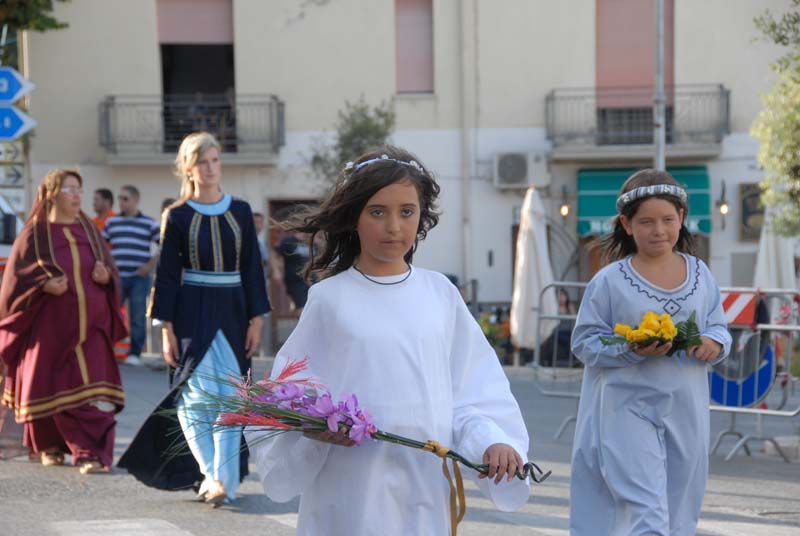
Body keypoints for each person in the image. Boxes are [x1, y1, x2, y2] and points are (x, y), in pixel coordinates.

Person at [245, 146, 531, 535]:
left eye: (406, 211)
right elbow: (291, 389)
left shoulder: (440, 294)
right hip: (351, 485)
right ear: (355, 217)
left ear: (421, 216)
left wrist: (492, 443)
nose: (394, 226)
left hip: (423, 482)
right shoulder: (330, 299)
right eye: (377, 211)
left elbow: (470, 392)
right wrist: (312, 427)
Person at [569, 169, 732, 535]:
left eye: (667, 220)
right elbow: (584, 342)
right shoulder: (609, 281)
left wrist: (714, 343)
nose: (659, 230)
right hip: (626, 409)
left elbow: (719, 327)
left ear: (682, 220)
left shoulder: (700, 274)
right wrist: (632, 348)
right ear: (627, 225)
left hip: (686, 409)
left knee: (680, 507)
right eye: (646, 221)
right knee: (646, 508)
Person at [118, 132, 269, 506]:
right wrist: (165, 330)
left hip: (234, 311)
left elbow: (252, 269)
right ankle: (213, 475)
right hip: (192, 313)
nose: (211, 168)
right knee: (193, 401)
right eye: (203, 161)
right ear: (189, 167)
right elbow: (167, 275)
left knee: (230, 401)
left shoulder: (241, 212)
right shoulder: (178, 215)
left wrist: (257, 320)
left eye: (216, 160)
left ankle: (221, 482)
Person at [0, 169, 126, 473]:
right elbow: (14, 283)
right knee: (48, 387)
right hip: (49, 330)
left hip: (91, 327)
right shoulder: (33, 233)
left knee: (85, 394)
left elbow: (110, 269)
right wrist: (41, 286)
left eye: (78, 189)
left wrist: (106, 277)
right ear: (52, 194)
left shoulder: (89, 229)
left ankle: (89, 452)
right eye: (69, 189)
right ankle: (49, 446)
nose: (76, 195)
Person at [102, 185, 160, 367]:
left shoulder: (149, 223)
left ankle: (135, 353)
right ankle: (106, 350)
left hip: (138, 277)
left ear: (136, 200)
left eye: (125, 199)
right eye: (119, 198)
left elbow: (164, 245)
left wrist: (150, 265)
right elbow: (100, 246)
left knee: (137, 315)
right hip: (117, 277)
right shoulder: (112, 223)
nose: (121, 202)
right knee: (111, 313)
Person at [273, 229, 312, 312]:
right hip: (295, 280)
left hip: (311, 280)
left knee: (311, 308)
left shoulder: (312, 242)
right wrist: (276, 271)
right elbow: (273, 254)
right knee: (302, 309)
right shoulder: (288, 241)